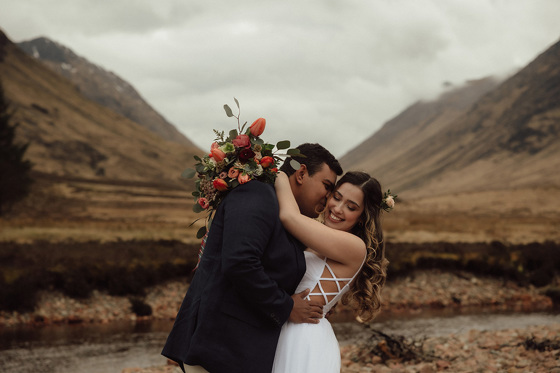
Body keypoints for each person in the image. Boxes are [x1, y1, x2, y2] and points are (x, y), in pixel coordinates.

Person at [161, 143, 343, 373]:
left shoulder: (286, 218)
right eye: (326, 186)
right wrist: (286, 306)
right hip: (216, 347)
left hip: (238, 350)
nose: (328, 198)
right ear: (302, 173)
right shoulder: (257, 193)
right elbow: (240, 262)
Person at [271, 170, 389, 373]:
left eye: (351, 207)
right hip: (284, 327)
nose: (337, 209)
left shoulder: (355, 247)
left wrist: (279, 174)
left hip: (304, 338)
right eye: (336, 197)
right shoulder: (316, 235)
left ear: (362, 217)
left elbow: (289, 216)